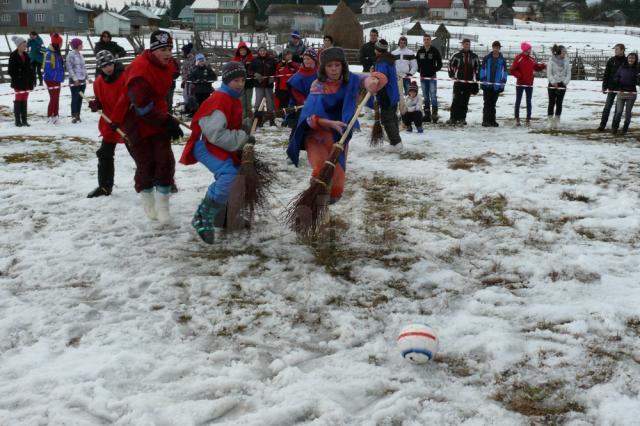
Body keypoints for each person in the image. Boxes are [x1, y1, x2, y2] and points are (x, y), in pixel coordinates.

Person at [287, 47, 387, 204]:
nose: (334, 69)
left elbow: (374, 78)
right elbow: (308, 117)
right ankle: (316, 203)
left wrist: (372, 81)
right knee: (320, 170)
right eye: (329, 65)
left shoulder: (351, 80)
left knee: (337, 178)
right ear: (323, 67)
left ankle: (327, 207)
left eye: (337, 65)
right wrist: (327, 122)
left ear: (343, 66)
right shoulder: (317, 85)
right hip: (317, 134)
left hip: (340, 135)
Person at [112, 30, 183, 224]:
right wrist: (167, 122)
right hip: (137, 120)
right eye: (163, 50)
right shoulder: (139, 71)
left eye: (170, 48)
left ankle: (163, 206)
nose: (168, 54)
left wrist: (166, 118)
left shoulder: (167, 65)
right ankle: (149, 202)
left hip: (158, 113)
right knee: (146, 163)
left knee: (165, 161)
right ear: (153, 50)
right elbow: (142, 107)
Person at [179, 62, 252, 244]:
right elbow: (215, 134)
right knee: (229, 175)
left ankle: (223, 217)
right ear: (226, 80)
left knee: (239, 174)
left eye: (242, 80)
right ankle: (202, 216)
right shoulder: (219, 100)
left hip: (219, 143)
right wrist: (242, 137)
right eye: (235, 80)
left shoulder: (232, 98)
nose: (240, 84)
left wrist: (243, 128)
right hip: (206, 145)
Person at [86, 51, 128, 198]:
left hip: (128, 121)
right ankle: (104, 187)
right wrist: (96, 104)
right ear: (100, 67)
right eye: (104, 66)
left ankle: (158, 181)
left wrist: (118, 119)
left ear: (114, 63)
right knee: (104, 153)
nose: (108, 68)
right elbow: (102, 101)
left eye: (110, 64)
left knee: (139, 154)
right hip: (110, 123)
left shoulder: (124, 77)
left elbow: (127, 100)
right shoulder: (98, 82)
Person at [373, 39, 402, 149]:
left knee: (387, 119)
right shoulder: (389, 59)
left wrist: (374, 76)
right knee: (393, 118)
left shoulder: (382, 62)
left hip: (387, 94)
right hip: (393, 93)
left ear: (378, 50)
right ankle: (396, 142)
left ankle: (396, 143)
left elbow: (381, 79)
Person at [510, 41, 545, 126]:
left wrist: (542, 66)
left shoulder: (531, 59)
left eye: (530, 49)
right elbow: (513, 69)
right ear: (525, 49)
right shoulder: (518, 58)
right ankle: (517, 118)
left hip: (529, 84)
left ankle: (528, 119)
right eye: (529, 48)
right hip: (520, 84)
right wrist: (519, 75)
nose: (530, 50)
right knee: (518, 101)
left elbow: (536, 67)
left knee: (528, 101)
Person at [447, 38, 480, 126]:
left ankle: (462, 118)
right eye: (465, 44)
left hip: (469, 82)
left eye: (468, 44)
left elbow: (478, 68)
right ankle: (453, 118)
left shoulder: (474, 56)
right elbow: (450, 64)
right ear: (463, 45)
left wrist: (477, 79)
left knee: (465, 101)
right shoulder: (457, 55)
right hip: (458, 81)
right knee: (456, 100)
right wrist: (451, 74)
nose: (467, 46)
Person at [285, 48, 318, 128]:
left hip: (317, 106)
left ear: (314, 60)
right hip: (301, 107)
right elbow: (295, 92)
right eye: (304, 59)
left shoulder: (320, 73)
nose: (306, 61)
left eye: (308, 59)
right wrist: (305, 101)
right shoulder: (299, 75)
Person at [479, 40, 508, 127]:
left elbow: (505, 72)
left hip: (496, 85)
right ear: (492, 48)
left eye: (497, 48)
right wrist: (483, 79)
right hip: (487, 84)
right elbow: (482, 70)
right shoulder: (487, 58)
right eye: (494, 47)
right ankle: (485, 120)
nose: (495, 49)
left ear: (499, 48)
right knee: (487, 103)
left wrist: (503, 83)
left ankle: (492, 120)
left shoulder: (502, 60)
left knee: (493, 104)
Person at [598, 44, 626, 131]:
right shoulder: (611, 60)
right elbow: (606, 74)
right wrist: (604, 86)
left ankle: (614, 127)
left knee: (618, 109)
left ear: (622, 50)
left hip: (621, 89)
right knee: (607, 107)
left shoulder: (626, 61)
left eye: (617, 49)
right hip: (611, 88)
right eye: (615, 49)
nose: (615, 51)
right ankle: (602, 125)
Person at [8, 35, 35, 127]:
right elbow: (10, 71)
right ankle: (17, 120)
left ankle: (24, 120)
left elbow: (30, 69)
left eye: (25, 45)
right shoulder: (13, 55)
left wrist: (32, 80)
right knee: (19, 100)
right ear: (18, 45)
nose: (25, 46)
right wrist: (18, 75)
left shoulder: (26, 55)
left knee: (25, 100)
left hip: (27, 82)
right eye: (23, 45)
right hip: (18, 83)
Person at [416, 33, 442, 123]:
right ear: (423, 41)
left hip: (432, 77)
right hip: (423, 77)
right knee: (425, 96)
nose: (426, 41)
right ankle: (427, 114)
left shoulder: (435, 51)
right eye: (425, 39)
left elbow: (440, 64)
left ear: (430, 41)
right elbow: (416, 63)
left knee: (433, 95)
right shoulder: (420, 51)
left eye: (428, 39)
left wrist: (433, 70)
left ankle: (434, 114)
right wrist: (420, 70)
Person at [611, 52, 639, 135]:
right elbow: (616, 76)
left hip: (632, 93)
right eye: (630, 57)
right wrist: (616, 80)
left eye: (633, 58)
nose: (631, 59)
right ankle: (615, 128)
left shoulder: (637, 68)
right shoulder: (622, 67)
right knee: (619, 111)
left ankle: (625, 128)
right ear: (627, 58)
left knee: (628, 112)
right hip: (621, 92)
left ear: (635, 59)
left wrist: (638, 79)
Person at [250, 44, 277, 126]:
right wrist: (255, 74)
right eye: (261, 51)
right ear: (258, 52)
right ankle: (258, 120)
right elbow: (249, 70)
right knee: (258, 103)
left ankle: (271, 120)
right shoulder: (255, 60)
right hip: (259, 85)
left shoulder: (271, 60)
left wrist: (273, 77)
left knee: (270, 103)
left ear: (266, 51)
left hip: (268, 85)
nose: (262, 52)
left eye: (264, 50)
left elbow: (276, 70)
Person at [547, 44, 572, 128]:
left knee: (559, 103)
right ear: (559, 52)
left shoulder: (566, 61)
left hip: (562, 84)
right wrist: (553, 82)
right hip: (553, 84)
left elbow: (568, 74)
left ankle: (557, 120)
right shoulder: (551, 61)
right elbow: (549, 73)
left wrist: (564, 82)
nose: (565, 53)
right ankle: (550, 120)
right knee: (551, 102)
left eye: (565, 51)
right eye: (564, 51)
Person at [66, 38, 89, 123]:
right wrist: (75, 79)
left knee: (80, 98)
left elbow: (84, 68)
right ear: (77, 45)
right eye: (81, 44)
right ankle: (74, 115)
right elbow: (69, 68)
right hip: (75, 81)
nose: (82, 46)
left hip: (82, 80)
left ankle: (78, 115)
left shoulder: (81, 55)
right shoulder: (70, 55)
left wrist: (87, 78)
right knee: (75, 98)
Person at [43, 33, 64, 124]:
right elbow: (47, 68)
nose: (61, 45)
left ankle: (56, 115)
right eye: (60, 43)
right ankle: (49, 115)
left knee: (57, 97)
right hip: (50, 79)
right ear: (57, 44)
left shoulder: (57, 53)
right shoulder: (49, 53)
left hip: (57, 79)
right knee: (53, 97)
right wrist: (55, 76)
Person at [232, 41, 254, 119]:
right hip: (240, 84)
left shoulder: (251, 59)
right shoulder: (235, 60)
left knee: (248, 101)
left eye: (244, 50)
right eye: (241, 50)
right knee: (241, 101)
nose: (243, 51)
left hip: (249, 83)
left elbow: (255, 68)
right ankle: (243, 118)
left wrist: (253, 73)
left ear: (246, 50)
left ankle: (249, 118)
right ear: (239, 51)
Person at [274, 49, 299, 113]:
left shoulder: (295, 65)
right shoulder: (279, 65)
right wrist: (276, 88)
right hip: (281, 89)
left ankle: (290, 119)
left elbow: (298, 77)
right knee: (282, 105)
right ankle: (282, 118)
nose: (289, 56)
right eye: (287, 55)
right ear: (284, 56)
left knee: (291, 105)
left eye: (290, 54)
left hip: (291, 88)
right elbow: (277, 78)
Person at [180, 42, 197, 115]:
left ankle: (192, 110)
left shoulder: (191, 59)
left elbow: (190, 71)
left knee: (190, 95)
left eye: (183, 52)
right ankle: (187, 109)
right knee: (186, 95)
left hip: (190, 81)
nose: (182, 53)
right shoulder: (187, 59)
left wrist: (187, 80)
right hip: (186, 81)